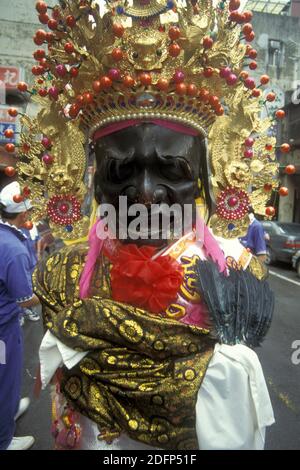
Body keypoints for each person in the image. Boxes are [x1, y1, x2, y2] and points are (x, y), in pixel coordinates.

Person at [15, 1, 279, 450]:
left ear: (204, 176)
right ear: (92, 177)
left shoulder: (233, 273)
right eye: (120, 170)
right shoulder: (63, 275)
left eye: (171, 170)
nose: (144, 193)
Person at [0, 181, 39, 450]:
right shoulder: (13, 250)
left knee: (8, 378)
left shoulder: (7, 237)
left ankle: (10, 408)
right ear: (23, 215)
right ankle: (4, 440)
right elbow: (26, 300)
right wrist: (57, 292)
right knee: (4, 379)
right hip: (3, 328)